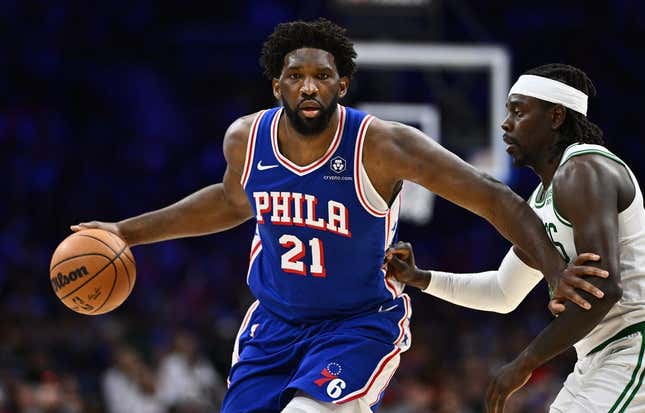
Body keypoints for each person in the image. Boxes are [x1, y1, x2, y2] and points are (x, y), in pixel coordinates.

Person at [72, 20, 603, 412]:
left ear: (342, 85)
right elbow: (231, 202)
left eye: (322, 76)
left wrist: (556, 270)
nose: (309, 86)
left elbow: (492, 196)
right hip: (273, 325)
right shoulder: (246, 138)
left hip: (358, 324)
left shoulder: (385, 145)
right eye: (295, 76)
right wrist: (124, 231)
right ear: (276, 86)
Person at [386, 64, 645, 412]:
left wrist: (523, 364)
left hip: (633, 344)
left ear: (555, 117)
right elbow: (503, 292)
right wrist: (421, 279)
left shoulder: (584, 171)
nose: (506, 123)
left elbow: (605, 290)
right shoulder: (542, 200)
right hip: (599, 354)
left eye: (519, 111)